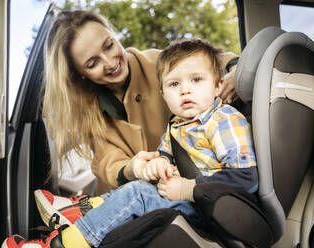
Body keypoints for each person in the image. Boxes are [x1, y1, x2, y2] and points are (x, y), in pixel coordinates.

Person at [2, 38, 258, 248]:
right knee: (139, 185)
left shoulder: (222, 120)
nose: (185, 90)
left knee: (137, 194)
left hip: (211, 210)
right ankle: (81, 212)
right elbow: (160, 158)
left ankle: (60, 245)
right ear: (163, 94)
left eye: (196, 80)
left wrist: (187, 188)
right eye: (174, 84)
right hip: (190, 201)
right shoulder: (177, 126)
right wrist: (155, 166)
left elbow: (246, 178)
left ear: (219, 85)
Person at [41, 10, 239, 195]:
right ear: (79, 74)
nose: (110, 63)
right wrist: (133, 168)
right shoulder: (87, 107)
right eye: (93, 63)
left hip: (175, 186)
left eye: (109, 45)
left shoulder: (158, 64)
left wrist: (236, 71)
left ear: (114, 34)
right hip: (123, 193)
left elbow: (217, 61)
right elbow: (107, 161)